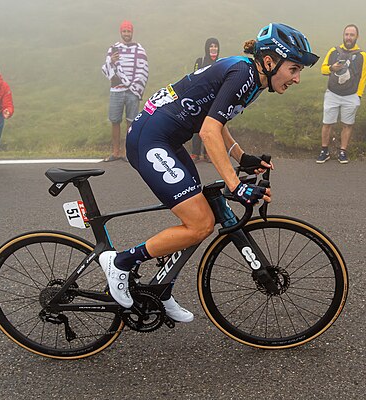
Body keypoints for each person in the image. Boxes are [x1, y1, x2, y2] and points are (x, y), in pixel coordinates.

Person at [99, 23, 319, 322]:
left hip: (167, 138)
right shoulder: (244, 74)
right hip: (150, 139)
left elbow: (217, 120)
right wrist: (236, 185)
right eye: (294, 69)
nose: (296, 78)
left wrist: (242, 157)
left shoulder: (252, 77)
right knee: (200, 222)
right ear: (270, 61)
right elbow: (209, 131)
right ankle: (121, 262)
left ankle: (161, 290)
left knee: (202, 219)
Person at [316, 24, 366, 164]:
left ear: (357, 37)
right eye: (347, 34)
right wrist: (333, 68)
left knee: (347, 124)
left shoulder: (362, 55)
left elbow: (363, 76)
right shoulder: (334, 51)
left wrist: (358, 95)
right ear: (343, 35)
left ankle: (343, 151)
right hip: (332, 93)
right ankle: (324, 150)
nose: (348, 37)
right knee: (327, 123)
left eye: (352, 35)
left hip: (351, 96)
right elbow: (323, 69)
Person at [101, 20, 149, 162]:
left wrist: (135, 87)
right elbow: (107, 68)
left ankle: (127, 153)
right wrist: (112, 61)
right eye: (124, 31)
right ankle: (116, 152)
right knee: (115, 121)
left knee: (131, 122)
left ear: (132, 32)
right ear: (120, 32)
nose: (126, 34)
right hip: (116, 90)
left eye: (128, 31)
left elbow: (143, 69)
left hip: (132, 91)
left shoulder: (139, 49)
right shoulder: (113, 48)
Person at [191, 38, 220, 163]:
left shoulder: (221, 62)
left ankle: (208, 153)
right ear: (207, 48)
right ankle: (195, 153)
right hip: (201, 97)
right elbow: (195, 77)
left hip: (215, 99)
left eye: (216, 46)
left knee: (212, 127)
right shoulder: (200, 61)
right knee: (197, 126)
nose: (213, 48)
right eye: (211, 46)